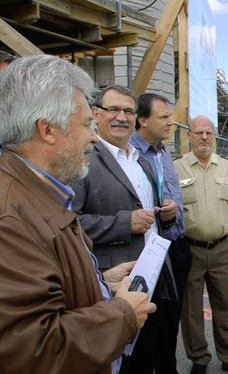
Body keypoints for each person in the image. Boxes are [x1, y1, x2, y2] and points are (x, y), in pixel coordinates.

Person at [0, 54, 156, 373]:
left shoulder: (37, 193)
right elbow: (32, 348)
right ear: (48, 130)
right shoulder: (10, 218)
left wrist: (97, 281)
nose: (93, 136)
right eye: (86, 123)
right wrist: (122, 314)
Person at [70, 84, 178, 374]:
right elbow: (70, 223)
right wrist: (124, 223)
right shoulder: (84, 159)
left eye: (128, 111)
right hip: (115, 285)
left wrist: (165, 214)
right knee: (123, 364)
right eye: (113, 109)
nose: (121, 117)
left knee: (149, 357)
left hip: (154, 277)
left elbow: (149, 216)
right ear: (95, 113)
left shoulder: (140, 159)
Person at [174, 115, 228, 374]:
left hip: (220, 249)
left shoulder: (226, 167)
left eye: (208, 133)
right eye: (198, 132)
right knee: (191, 310)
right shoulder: (177, 168)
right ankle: (199, 358)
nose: (204, 137)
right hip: (190, 248)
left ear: (214, 136)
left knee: (225, 306)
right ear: (189, 135)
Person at [130, 92, 192, 373]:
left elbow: (174, 194)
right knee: (148, 325)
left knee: (170, 320)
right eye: (164, 117)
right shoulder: (129, 153)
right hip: (149, 251)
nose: (172, 123)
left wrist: (173, 208)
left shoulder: (164, 152)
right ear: (142, 120)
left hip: (176, 245)